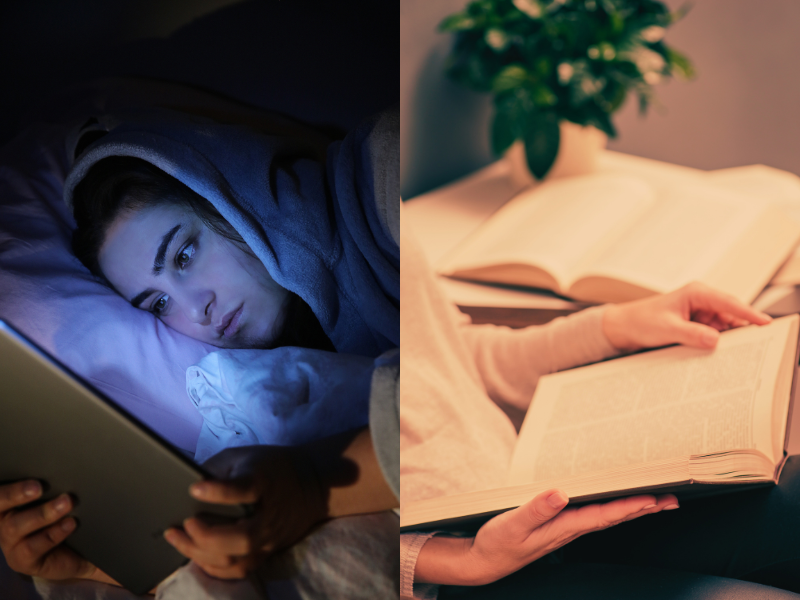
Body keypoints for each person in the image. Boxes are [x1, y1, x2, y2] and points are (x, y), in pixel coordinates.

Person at [0, 106, 400, 595]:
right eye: (159, 302)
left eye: (185, 254)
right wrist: (90, 565)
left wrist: (316, 484)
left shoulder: (392, 168)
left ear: (229, 195)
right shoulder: (280, 382)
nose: (198, 309)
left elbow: (503, 372)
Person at [400, 206, 800, 600]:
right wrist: (453, 561)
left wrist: (615, 327)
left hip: (524, 496)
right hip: (439, 577)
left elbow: (441, 351)